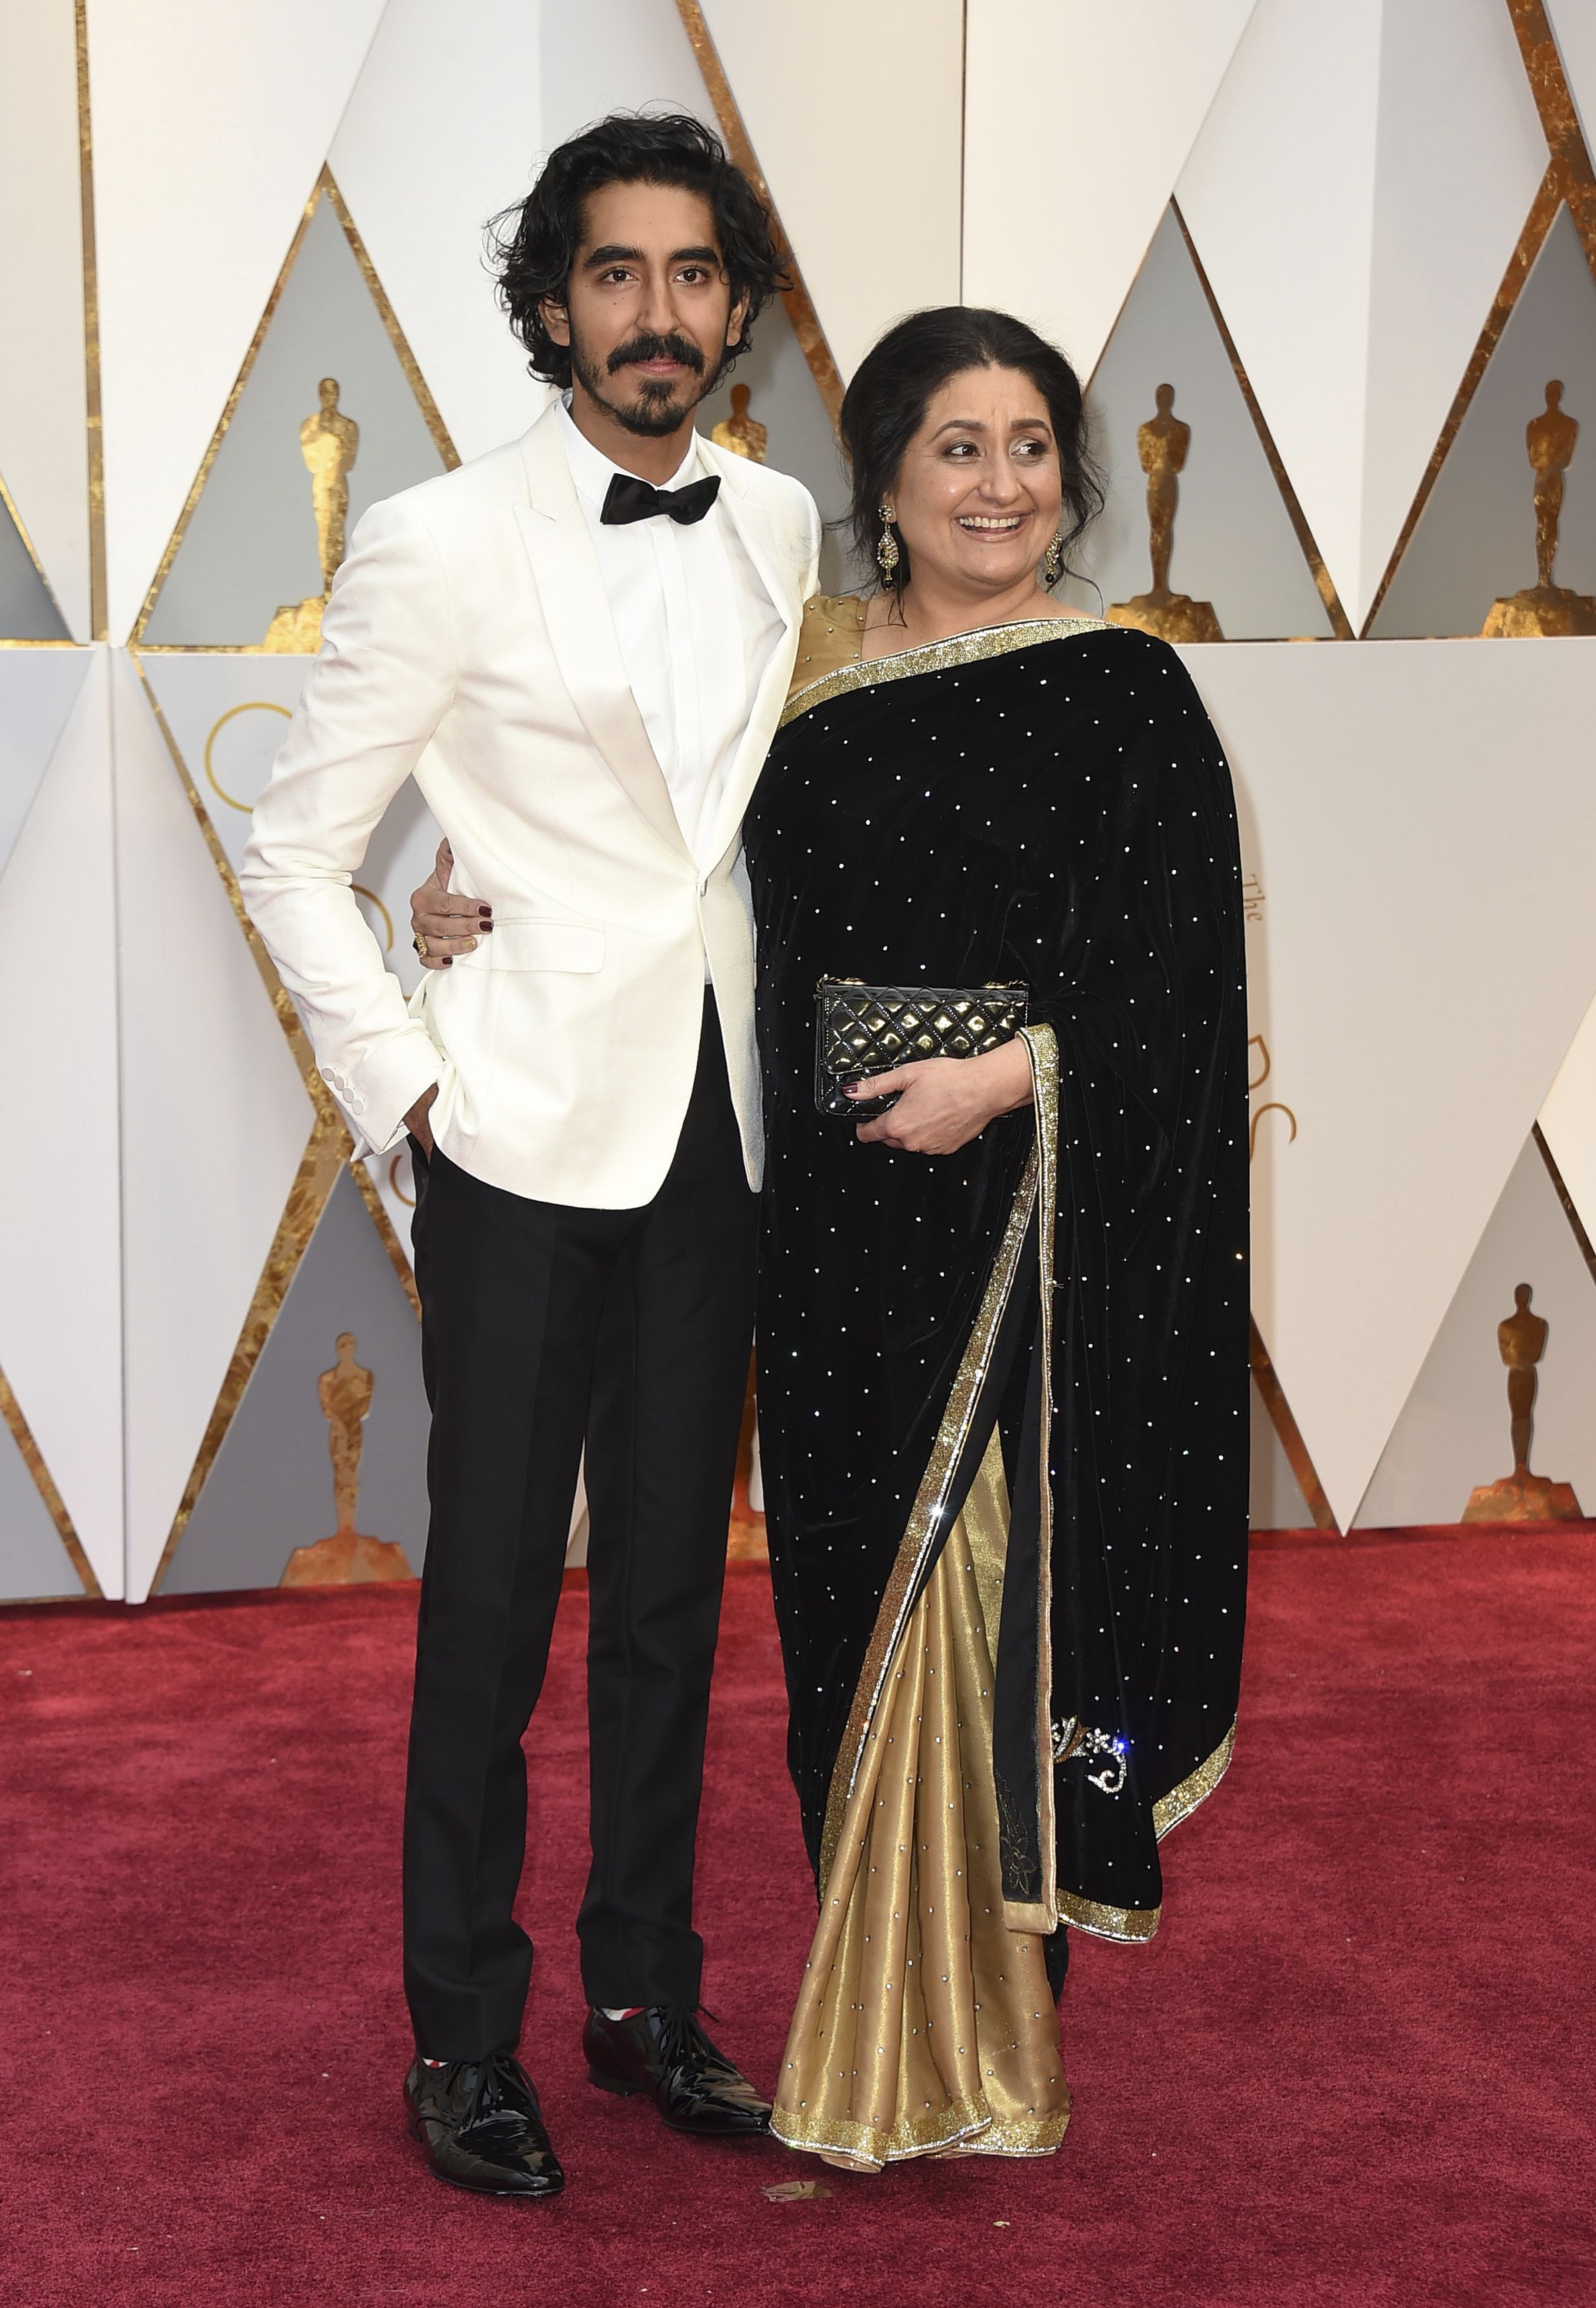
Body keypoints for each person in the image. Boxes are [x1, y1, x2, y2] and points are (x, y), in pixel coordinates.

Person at [415, 305, 1249, 2172]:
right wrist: (460, 886)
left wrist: (1007, 1077)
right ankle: (873, 2012)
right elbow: (640, 846)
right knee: (839, 1617)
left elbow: (1179, 986)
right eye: (959, 447)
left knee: (984, 1610)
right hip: (814, 1226)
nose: (1002, 484)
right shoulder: (787, 665)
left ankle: (974, 2056)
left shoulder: (1125, 688)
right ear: (879, 478)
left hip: (1018, 1224)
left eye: (1032, 447)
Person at [240, 112, 820, 2200]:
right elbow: (298, 846)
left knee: (673, 1594)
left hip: (714, 1122)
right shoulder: (437, 534)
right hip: (508, 1134)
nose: (652, 314)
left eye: (688, 275)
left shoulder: (777, 522)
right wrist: (404, 1080)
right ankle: (460, 2033)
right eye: (611, 274)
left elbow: (719, 836)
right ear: (551, 303)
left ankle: (647, 1991)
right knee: (483, 1605)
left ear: (732, 307)